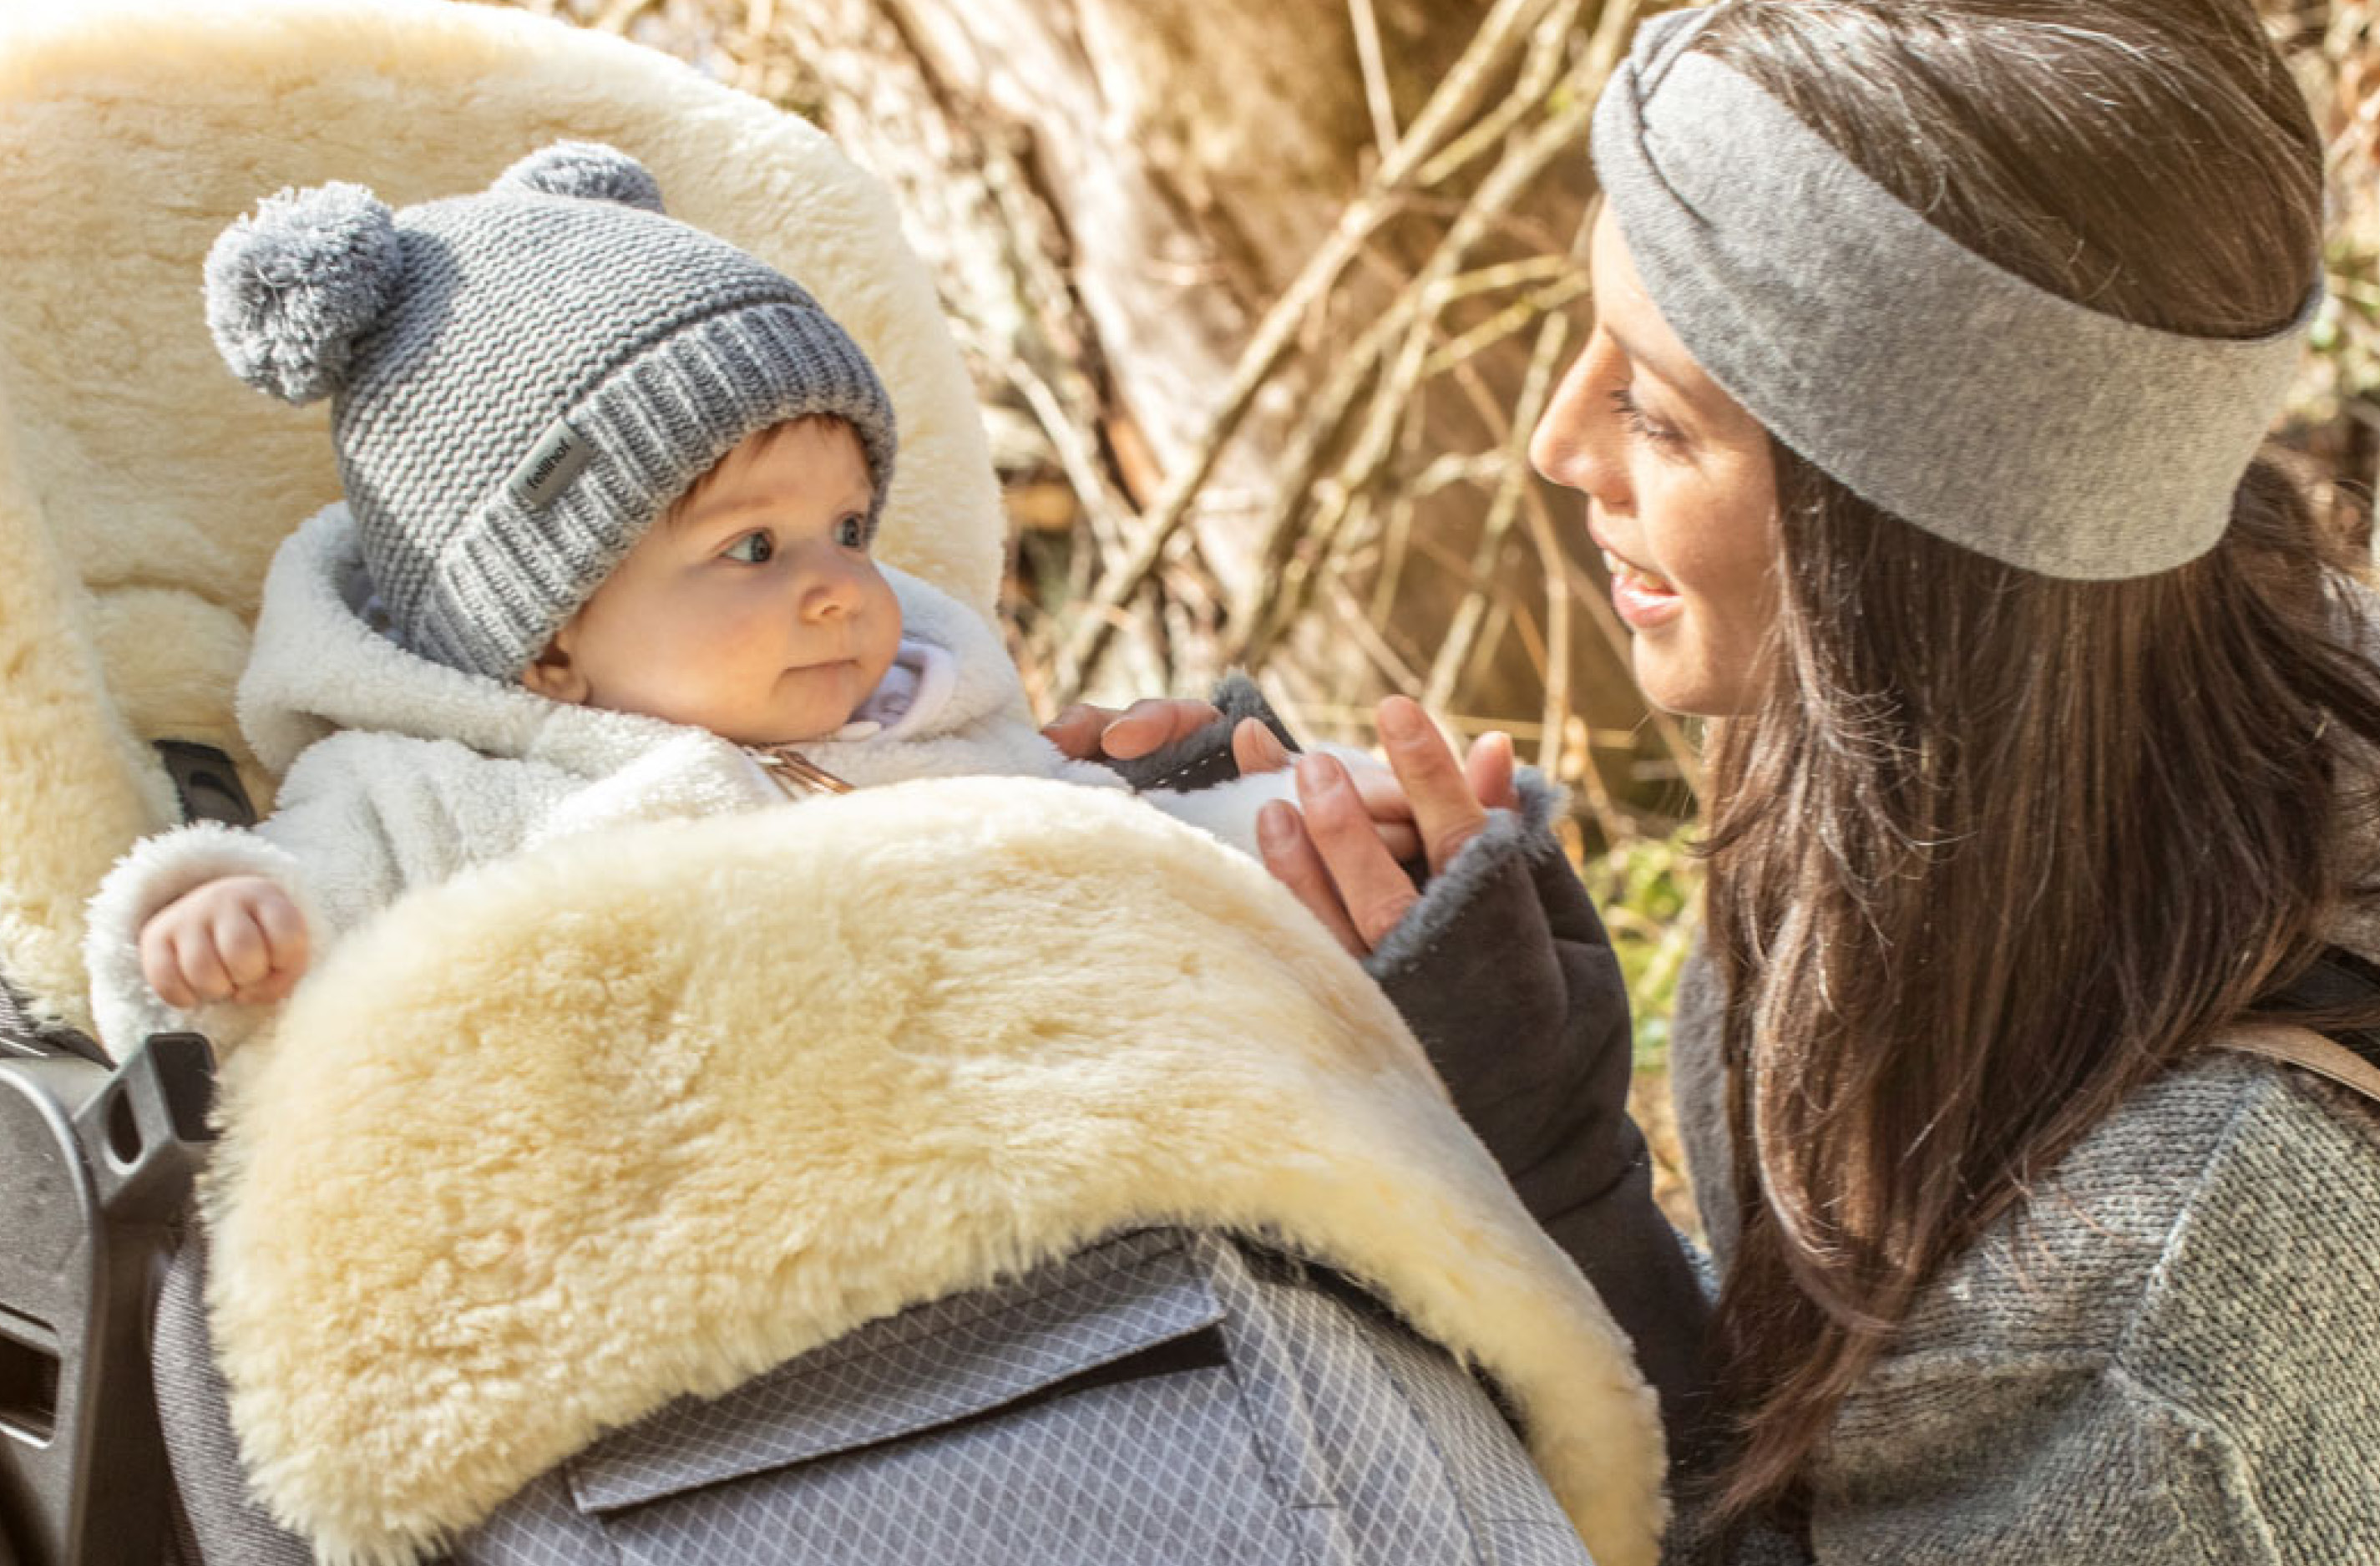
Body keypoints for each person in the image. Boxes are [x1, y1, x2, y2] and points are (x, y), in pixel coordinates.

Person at [1061, 0, 2380, 1557]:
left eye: (1657, 412)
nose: (1559, 442)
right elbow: (1803, 1457)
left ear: (1915, 543)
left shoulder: (2190, 1267)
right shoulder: (1911, 816)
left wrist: (1546, 1169)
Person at [84, 140, 1318, 1053]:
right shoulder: (422, 796)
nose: (839, 585)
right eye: (751, 550)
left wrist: (1288, 817)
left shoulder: (938, 727)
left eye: (846, 528)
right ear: (546, 638)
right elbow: (241, 1022)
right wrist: (225, 927)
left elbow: (1121, 857)